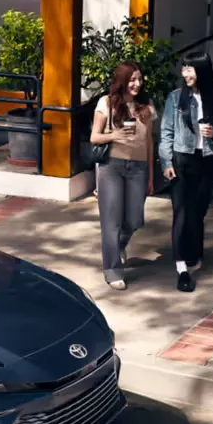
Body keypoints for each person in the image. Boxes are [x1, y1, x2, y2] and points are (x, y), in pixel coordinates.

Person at [159, 51, 213, 293]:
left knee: (198, 212)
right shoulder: (176, 98)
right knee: (181, 214)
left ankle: (194, 255)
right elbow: (166, 132)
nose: (185, 74)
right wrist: (166, 162)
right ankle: (181, 269)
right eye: (183, 68)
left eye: (189, 69)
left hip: (206, 159)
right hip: (181, 159)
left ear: (202, 70)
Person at [90, 61, 157, 290]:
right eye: (132, 80)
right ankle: (112, 270)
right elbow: (94, 137)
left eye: (139, 79)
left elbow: (149, 142)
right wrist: (115, 136)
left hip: (138, 167)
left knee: (134, 219)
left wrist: (151, 176)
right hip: (112, 167)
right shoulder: (106, 103)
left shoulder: (146, 106)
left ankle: (117, 245)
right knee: (111, 221)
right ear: (122, 81)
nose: (137, 84)